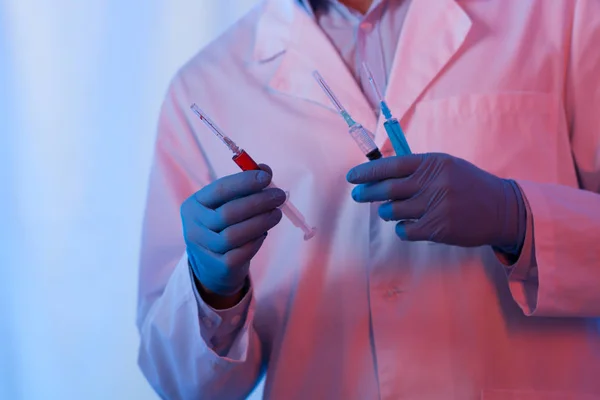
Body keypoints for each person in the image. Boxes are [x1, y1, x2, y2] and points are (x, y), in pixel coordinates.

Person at [136, 0, 600, 398]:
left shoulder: (559, 13)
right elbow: (180, 386)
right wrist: (213, 293)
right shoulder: (206, 84)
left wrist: (516, 216)